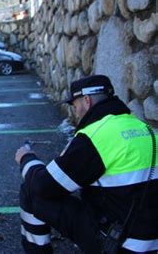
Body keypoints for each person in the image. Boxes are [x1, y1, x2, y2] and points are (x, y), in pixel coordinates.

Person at [14, 75, 158, 253]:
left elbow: (43, 185)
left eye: (75, 106)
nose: (75, 113)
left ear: (87, 101)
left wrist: (26, 158)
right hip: (151, 241)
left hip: (119, 245)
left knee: (31, 190)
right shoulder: (145, 128)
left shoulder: (95, 137)